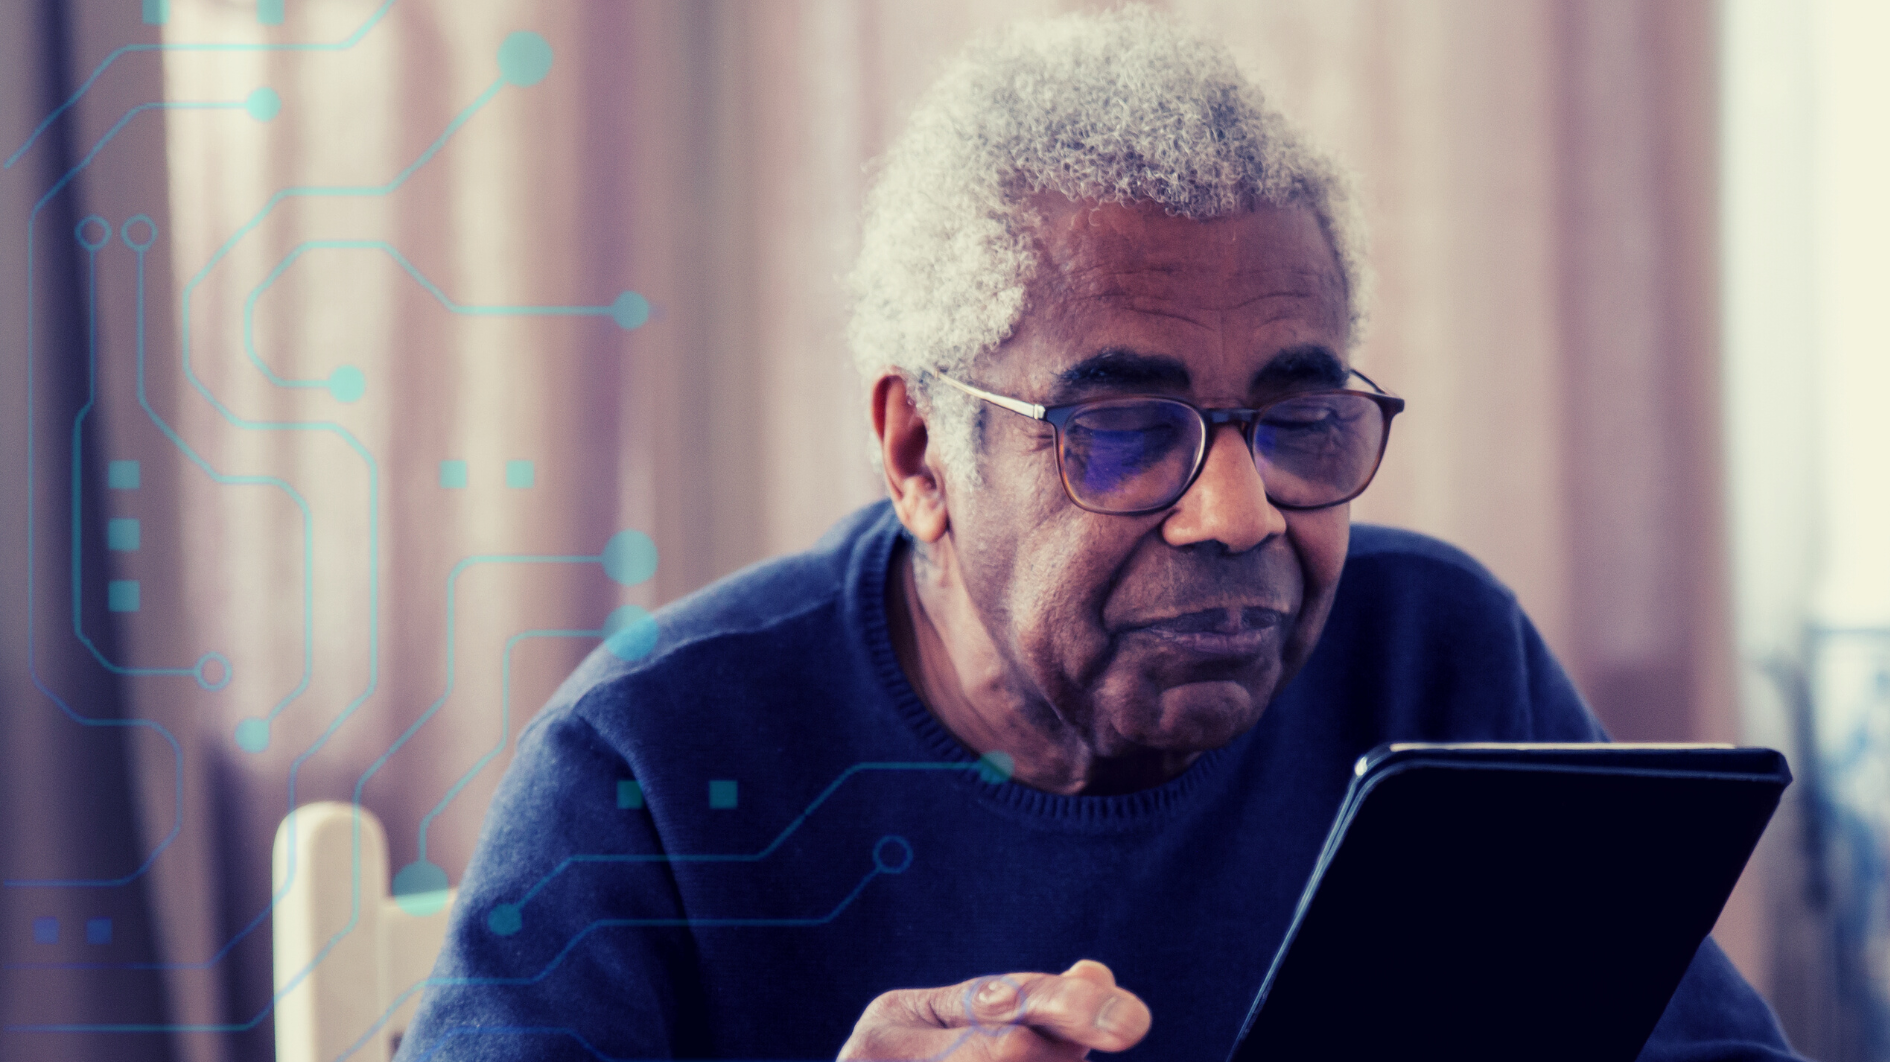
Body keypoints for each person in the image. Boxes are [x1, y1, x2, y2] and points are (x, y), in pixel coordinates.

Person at [397, 8, 1803, 1060]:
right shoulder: (654, 754)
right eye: (1123, 431)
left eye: (1296, 416)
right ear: (917, 452)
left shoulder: (1436, 655)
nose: (1238, 510)